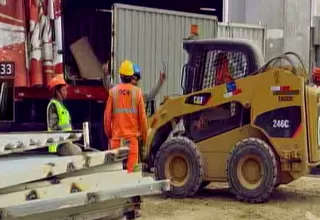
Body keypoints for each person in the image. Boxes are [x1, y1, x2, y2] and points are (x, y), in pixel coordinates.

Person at [104, 60, 148, 173]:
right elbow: (143, 118)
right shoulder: (137, 92)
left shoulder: (113, 92)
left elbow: (107, 117)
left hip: (116, 139)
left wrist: (109, 134)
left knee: (115, 172)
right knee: (132, 173)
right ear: (131, 76)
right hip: (132, 141)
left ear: (121, 75)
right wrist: (144, 138)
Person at [47, 74, 82, 156]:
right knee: (77, 151)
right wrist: (68, 135)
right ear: (56, 91)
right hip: (58, 147)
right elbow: (54, 127)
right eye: (63, 90)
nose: (65, 92)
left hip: (65, 144)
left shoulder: (61, 106)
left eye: (66, 90)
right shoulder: (53, 105)